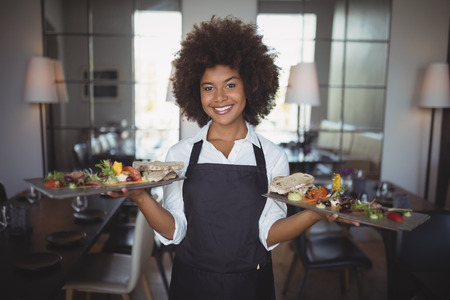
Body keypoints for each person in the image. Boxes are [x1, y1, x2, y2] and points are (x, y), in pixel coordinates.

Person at [108, 15, 359, 300]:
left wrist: (315, 213)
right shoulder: (179, 154)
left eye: (230, 85)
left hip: (251, 285)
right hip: (192, 284)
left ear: (250, 86)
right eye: (208, 87)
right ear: (195, 92)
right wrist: (141, 198)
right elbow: (175, 231)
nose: (219, 98)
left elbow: (268, 233)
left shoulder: (272, 156)